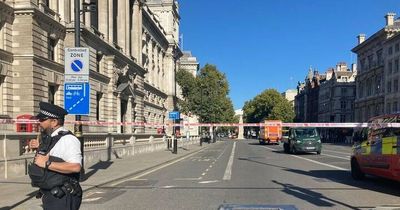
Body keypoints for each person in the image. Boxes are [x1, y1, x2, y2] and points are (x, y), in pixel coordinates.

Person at [28, 102, 82, 210]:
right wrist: (39, 148)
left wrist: (47, 164)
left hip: (63, 197)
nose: (39, 122)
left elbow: (76, 167)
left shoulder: (69, 139)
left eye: (43, 120)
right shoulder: (52, 138)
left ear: (54, 122)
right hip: (51, 195)